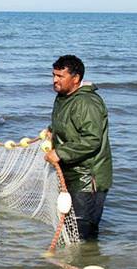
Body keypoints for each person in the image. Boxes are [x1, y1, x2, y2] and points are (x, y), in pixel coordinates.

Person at [44, 55, 112, 241]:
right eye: (53, 75)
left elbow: (92, 139)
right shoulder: (64, 97)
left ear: (76, 78)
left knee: (82, 234)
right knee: (69, 228)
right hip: (71, 173)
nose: (55, 80)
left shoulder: (87, 103)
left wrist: (60, 152)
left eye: (60, 76)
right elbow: (70, 125)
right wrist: (52, 131)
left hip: (88, 179)